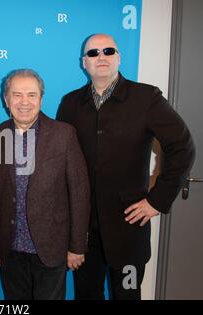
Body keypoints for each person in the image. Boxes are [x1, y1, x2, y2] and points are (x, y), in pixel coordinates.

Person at [56, 33, 196, 300]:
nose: (101, 57)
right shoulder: (70, 104)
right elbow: (62, 162)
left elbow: (182, 147)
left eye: (108, 51)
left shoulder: (147, 99)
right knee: (87, 295)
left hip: (129, 228)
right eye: (93, 53)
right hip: (84, 232)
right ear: (84, 62)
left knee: (128, 295)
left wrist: (157, 201)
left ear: (118, 57)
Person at [0, 69, 90, 300]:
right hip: (10, 247)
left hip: (51, 247)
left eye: (31, 95)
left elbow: (79, 193)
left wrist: (77, 246)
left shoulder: (63, 135)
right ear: (6, 99)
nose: (24, 102)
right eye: (16, 94)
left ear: (41, 99)